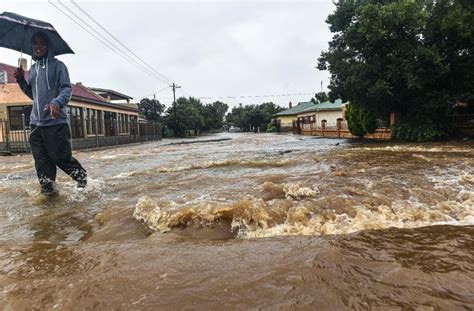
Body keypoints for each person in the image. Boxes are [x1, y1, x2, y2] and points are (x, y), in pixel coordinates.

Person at [14, 31, 87, 195]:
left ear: (48, 46)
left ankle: (81, 178)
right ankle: (48, 193)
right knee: (42, 162)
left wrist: (56, 103)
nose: (38, 46)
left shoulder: (59, 66)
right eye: (35, 43)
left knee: (59, 158)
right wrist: (20, 80)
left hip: (56, 123)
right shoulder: (32, 69)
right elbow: (33, 95)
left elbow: (66, 90)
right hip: (36, 125)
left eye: (42, 43)